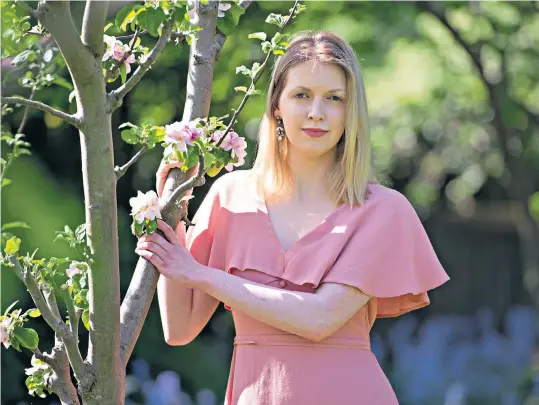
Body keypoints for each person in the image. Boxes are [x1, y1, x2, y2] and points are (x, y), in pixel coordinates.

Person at [135, 30, 450, 405]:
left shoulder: (383, 210)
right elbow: (180, 328)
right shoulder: (230, 196)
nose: (317, 111)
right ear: (276, 105)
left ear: (351, 112)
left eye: (334, 98)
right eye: (302, 95)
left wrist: (201, 274)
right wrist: (174, 210)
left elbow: (319, 319)